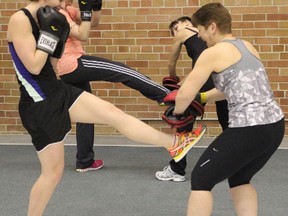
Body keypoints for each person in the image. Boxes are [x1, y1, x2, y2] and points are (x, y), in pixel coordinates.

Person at [6, 0, 205, 215]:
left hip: (57, 90)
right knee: (52, 174)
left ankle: (175, 144)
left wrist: (58, 40)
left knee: (112, 113)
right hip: (39, 103)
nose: (66, 0)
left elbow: (52, 67)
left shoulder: (54, 15)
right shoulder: (21, 19)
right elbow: (34, 67)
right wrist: (49, 35)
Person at [171, 3, 284, 216]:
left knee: (201, 179)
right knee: (240, 178)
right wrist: (203, 97)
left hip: (249, 129)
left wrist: (177, 112)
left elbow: (184, 94)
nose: (200, 37)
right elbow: (228, 89)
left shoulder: (211, 53)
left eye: (201, 31)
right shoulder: (247, 46)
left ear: (212, 27)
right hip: (275, 127)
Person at [57, 0, 174, 172]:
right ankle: (165, 96)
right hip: (72, 63)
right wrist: (87, 12)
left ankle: (85, 160)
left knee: (86, 113)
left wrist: (95, 6)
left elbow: (93, 22)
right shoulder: (58, 14)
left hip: (67, 67)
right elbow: (83, 34)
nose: (71, 1)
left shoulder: (67, 10)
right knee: (121, 71)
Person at [155, 16, 229, 182]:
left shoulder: (183, 32)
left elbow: (171, 63)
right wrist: (181, 85)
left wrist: (172, 80)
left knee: (183, 123)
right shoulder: (207, 35)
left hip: (206, 76)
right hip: (221, 76)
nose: (176, 32)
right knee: (227, 122)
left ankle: (177, 170)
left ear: (186, 24)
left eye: (176, 28)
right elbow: (200, 70)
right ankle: (236, 164)